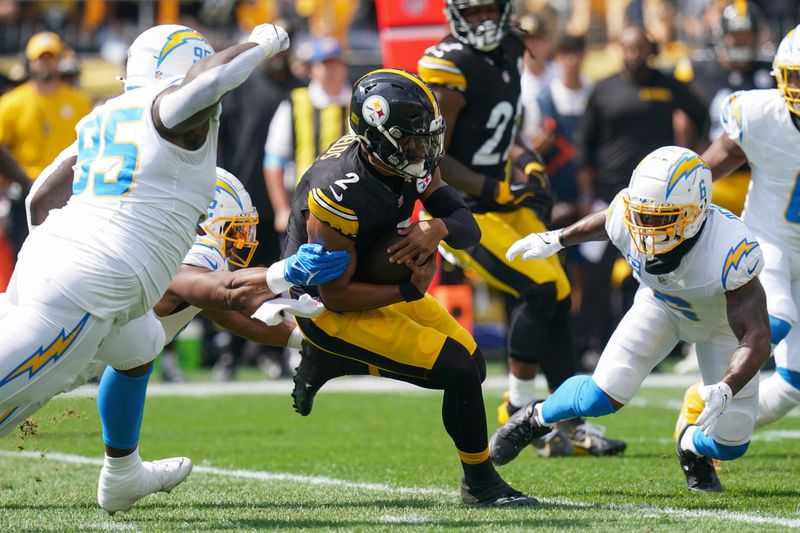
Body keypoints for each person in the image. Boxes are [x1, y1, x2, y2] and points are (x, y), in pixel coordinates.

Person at [0, 21, 290, 498]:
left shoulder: (107, 115)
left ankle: (123, 473)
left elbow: (39, 199)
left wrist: (52, 263)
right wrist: (265, 40)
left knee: (140, 347)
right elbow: (214, 80)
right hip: (88, 283)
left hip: (60, 264)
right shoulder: (171, 110)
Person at [25, 163, 349, 513]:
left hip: (53, 357)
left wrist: (305, 340)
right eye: (235, 231)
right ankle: (121, 473)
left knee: (139, 347)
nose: (244, 242)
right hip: (38, 352)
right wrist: (282, 273)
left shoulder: (183, 261)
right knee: (140, 345)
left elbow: (232, 315)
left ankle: (122, 472)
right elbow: (218, 293)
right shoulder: (188, 255)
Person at [285, 68, 537, 506]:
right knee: (457, 370)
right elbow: (335, 294)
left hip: (368, 280)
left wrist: (435, 228)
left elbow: (466, 228)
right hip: (326, 306)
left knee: (474, 365)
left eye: (426, 138)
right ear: (378, 138)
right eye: (411, 140)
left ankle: (329, 362)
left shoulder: (400, 157)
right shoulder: (339, 190)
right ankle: (479, 484)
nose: (423, 150)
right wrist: (407, 292)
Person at [490, 146, 771, 493]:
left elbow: (757, 335)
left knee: (733, 441)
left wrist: (726, 386)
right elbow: (610, 221)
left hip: (722, 330)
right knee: (603, 393)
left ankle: (690, 445)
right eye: (642, 216)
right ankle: (535, 417)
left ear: (696, 212)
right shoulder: (629, 213)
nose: (646, 228)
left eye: (661, 219)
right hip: (661, 306)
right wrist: (556, 239)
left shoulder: (730, 247)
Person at [417, 0, 625, 457]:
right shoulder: (446, 66)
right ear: (456, 16)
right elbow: (433, 157)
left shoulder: (512, 48)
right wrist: (495, 188)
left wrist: (525, 157)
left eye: (491, 9)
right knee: (538, 290)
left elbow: (505, 129)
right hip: (460, 210)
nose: (485, 21)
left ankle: (568, 420)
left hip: (501, 202)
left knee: (557, 290)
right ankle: (517, 408)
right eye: (473, 13)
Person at [675, 24, 800, 435]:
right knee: (774, 319)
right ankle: (704, 395)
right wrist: (667, 192)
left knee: (793, 385)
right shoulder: (761, 114)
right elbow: (710, 165)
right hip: (770, 241)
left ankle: (706, 427)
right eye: (797, 76)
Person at [573, 25, 708, 365]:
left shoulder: (667, 85)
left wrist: (690, 151)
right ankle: (593, 343)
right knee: (597, 274)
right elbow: (585, 146)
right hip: (610, 196)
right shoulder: (604, 90)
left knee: (661, 272)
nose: (634, 55)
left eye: (640, 49)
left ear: (651, 49)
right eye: (628, 49)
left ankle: (665, 346)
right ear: (620, 48)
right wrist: (588, 195)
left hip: (658, 201)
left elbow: (701, 113)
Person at [674, 1, 773, 216]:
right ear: (722, 34)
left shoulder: (773, 71)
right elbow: (682, 123)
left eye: (746, 33)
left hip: (760, 180)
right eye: (734, 33)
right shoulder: (696, 71)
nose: (740, 40)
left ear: (756, 35)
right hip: (715, 177)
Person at [0, 31, 91, 253]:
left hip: (68, 192)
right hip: (25, 190)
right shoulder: (12, 103)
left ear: (60, 60)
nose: (45, 64)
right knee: (24, 253)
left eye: (50, 58)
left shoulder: (79, 101)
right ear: (29, 62)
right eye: (40, 58)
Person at [263, 36, 351, 238]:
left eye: (336, 64)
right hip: (303, 209)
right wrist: (281, 209)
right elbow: (274, 161)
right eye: (325, 64)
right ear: (311, 69)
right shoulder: (295, 103)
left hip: (349, 208)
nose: (331, 70)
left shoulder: (357, 102)